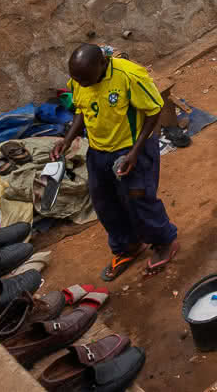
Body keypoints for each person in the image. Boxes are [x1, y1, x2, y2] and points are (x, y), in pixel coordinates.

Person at [50, 44, 179, 282]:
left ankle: (164, 242)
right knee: (105, 203)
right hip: (98, 151)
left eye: (87, 80)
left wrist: (135, 153)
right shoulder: (81, 79)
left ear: (102, 65)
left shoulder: (129, 76)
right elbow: (82, 110)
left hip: (131, 150)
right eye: (78, 80)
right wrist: (67, 141)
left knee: (139, 199)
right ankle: (128, 246)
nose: (82, 84)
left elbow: (153, 111)